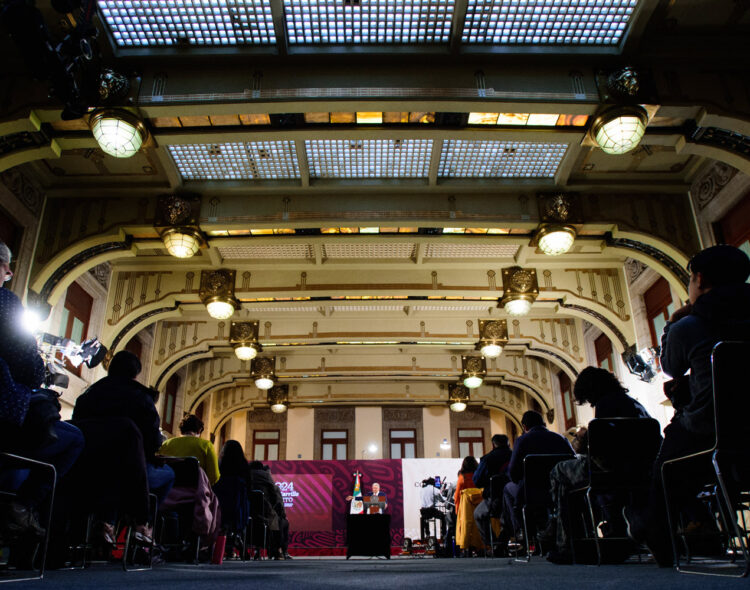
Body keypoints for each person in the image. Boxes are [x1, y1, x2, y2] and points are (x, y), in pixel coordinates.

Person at [625, 244, 750, 566]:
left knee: (665, 471)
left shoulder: (690, 326)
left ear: (699, 279)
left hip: (712, 429)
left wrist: (674, 322)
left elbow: (671, 367)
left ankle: (663, 543)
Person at [0, 240, 84, 543]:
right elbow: (28, 364)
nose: (9, 272)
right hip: (5, 425)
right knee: (73, 439)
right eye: (6, 267)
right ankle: (22, 507)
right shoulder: (4, 302)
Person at [544, 367, 653, 563]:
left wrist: (583, 440)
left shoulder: (606, 403)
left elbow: (601, 448)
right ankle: (613, 531)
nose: (590, 402)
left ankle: (566, 543)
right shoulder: (634, 404)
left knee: (559, 471)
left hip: (614, 469)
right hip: (643, 468)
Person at [73, 350, 175, 542]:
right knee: (168, 475)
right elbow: (154, 441)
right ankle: (141, 525)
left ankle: (107, 523)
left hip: (85, 469)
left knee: (111, 472)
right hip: (128, 472)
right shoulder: (141, 398)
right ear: (135, 374)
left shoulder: (88, 395)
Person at [503, 411, 573, 544]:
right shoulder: (560, 438)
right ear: (543, 423)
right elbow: (572, 460)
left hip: (531, 490)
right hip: (560, 489)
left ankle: (522, 531)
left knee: (507, 488)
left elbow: (513, 471)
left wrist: (517, 480)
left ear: (524, 427)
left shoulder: (522, 440)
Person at [472, 434, 512, 552]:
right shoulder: (515, 455)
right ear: (508, 443)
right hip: (515, 498)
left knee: (478, 514)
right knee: (509, 515)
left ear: (493, 445)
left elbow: (477, 481)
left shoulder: (488, 458)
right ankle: (502, 542)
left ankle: (493, 543)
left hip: (495, 499)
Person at [160, 413, 220, 485]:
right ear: (199, 430)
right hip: (195, 491)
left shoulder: (166, 444)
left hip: (169, 490)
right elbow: (214, 477)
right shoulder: (206, 446)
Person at [249, 460, 291, 559]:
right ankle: (277, 551)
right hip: (264, 510)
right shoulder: (266, 476)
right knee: (277, 521)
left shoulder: (245, 476)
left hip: (248, 511)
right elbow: (274, 495)